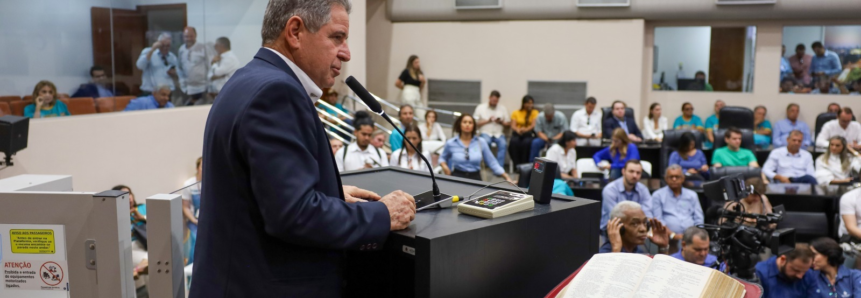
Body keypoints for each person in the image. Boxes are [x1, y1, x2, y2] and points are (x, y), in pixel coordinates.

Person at [190, 1, 416, 296]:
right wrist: (383, 215)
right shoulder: (277, 92)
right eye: (337, 37)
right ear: (295, 31)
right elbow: (295, 215)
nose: (346, 53)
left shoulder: (247, 79)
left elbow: (259, 192)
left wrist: (328, 194)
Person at [440, 114, 514, 182]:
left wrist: (507, 177)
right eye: (464, 122)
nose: (467, 124)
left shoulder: (480, 142)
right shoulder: (451, 143)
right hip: (457, 176)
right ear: (459, 125)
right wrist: (445, 167)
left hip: (475, 177)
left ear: (474, 126)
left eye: (470, 122)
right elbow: (442, 158)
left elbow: (492, 162)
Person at [651, 165, 703, 252]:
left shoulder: (692, 195)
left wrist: (695, 234)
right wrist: (672, 235)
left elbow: (699, 218)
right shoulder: (658, 195)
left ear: (683, 178)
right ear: (666, 179)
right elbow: (658, 220)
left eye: (677, 177)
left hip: (692, 238)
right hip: (669, 239)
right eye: (671, 177)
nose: (674, 179)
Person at [114, 184, 149, 297]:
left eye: (129, 193)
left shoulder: (142, 208)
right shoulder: (115, 216)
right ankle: (139, 269)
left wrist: (142, 218)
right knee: (152, 259)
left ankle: (137, 271)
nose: (129, 197)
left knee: (153, 263)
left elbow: (157, 224)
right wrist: (125, 221)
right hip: (130, 247)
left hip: (146, 243)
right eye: (124, 195)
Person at [599, 160, 653, 231]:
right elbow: (615, 217)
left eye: (638, 173)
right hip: (613, 230)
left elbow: (648, 214)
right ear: (623, 171)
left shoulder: (643, 189)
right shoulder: (610, 189)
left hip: (636, 229)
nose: (634, 175)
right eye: (631, 171)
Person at [601, 200, 669, 254]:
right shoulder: (604, 253)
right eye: (635, 224)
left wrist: (663, 247)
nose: (643, 229)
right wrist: (616, 249)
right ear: (619, 228)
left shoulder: (638, 250)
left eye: (645, 223)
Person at [473, 90, 510, 167]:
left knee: (503, 144)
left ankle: (499, 167)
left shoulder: (502, 108)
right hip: (485, 132)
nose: (494, 102)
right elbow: (474, 122)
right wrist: (488, 121)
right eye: (493, 100)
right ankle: (488, 165)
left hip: (498, 134)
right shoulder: (480, 107)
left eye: (496, 101)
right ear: (489, 98)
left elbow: (508, 124)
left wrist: (501, 122)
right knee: (486, 142)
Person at [178, 27, 209, 105]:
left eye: (191, 36)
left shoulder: (203, 48)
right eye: (186, 36)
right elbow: (179, 68)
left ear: (195, 35)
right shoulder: (181, 49)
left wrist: (209, 86)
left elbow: (209, 67)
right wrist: (182, 83)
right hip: (186, 89)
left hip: (202, 88)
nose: (188, 39)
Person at [181, 157, 203, 265]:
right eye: (202, 166)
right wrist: (194, 220)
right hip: (195, 222)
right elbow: (185, 206)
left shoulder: (213, 183)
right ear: (197, 168)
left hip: (208, 222)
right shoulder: (189, 184)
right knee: (195, 248)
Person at [509, 95, 539, 166]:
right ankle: (516, 165)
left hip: (529, 134)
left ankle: (524, 164)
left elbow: (533, 125)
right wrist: (518, 130)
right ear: (523, 103)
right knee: (513, 143)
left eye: (531, 103)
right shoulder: (516, 112)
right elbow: (513, 125)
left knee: (526, 143)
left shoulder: (535, 112)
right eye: (528, 103)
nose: (530, 105)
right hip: (518, 133)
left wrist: (525, 130)